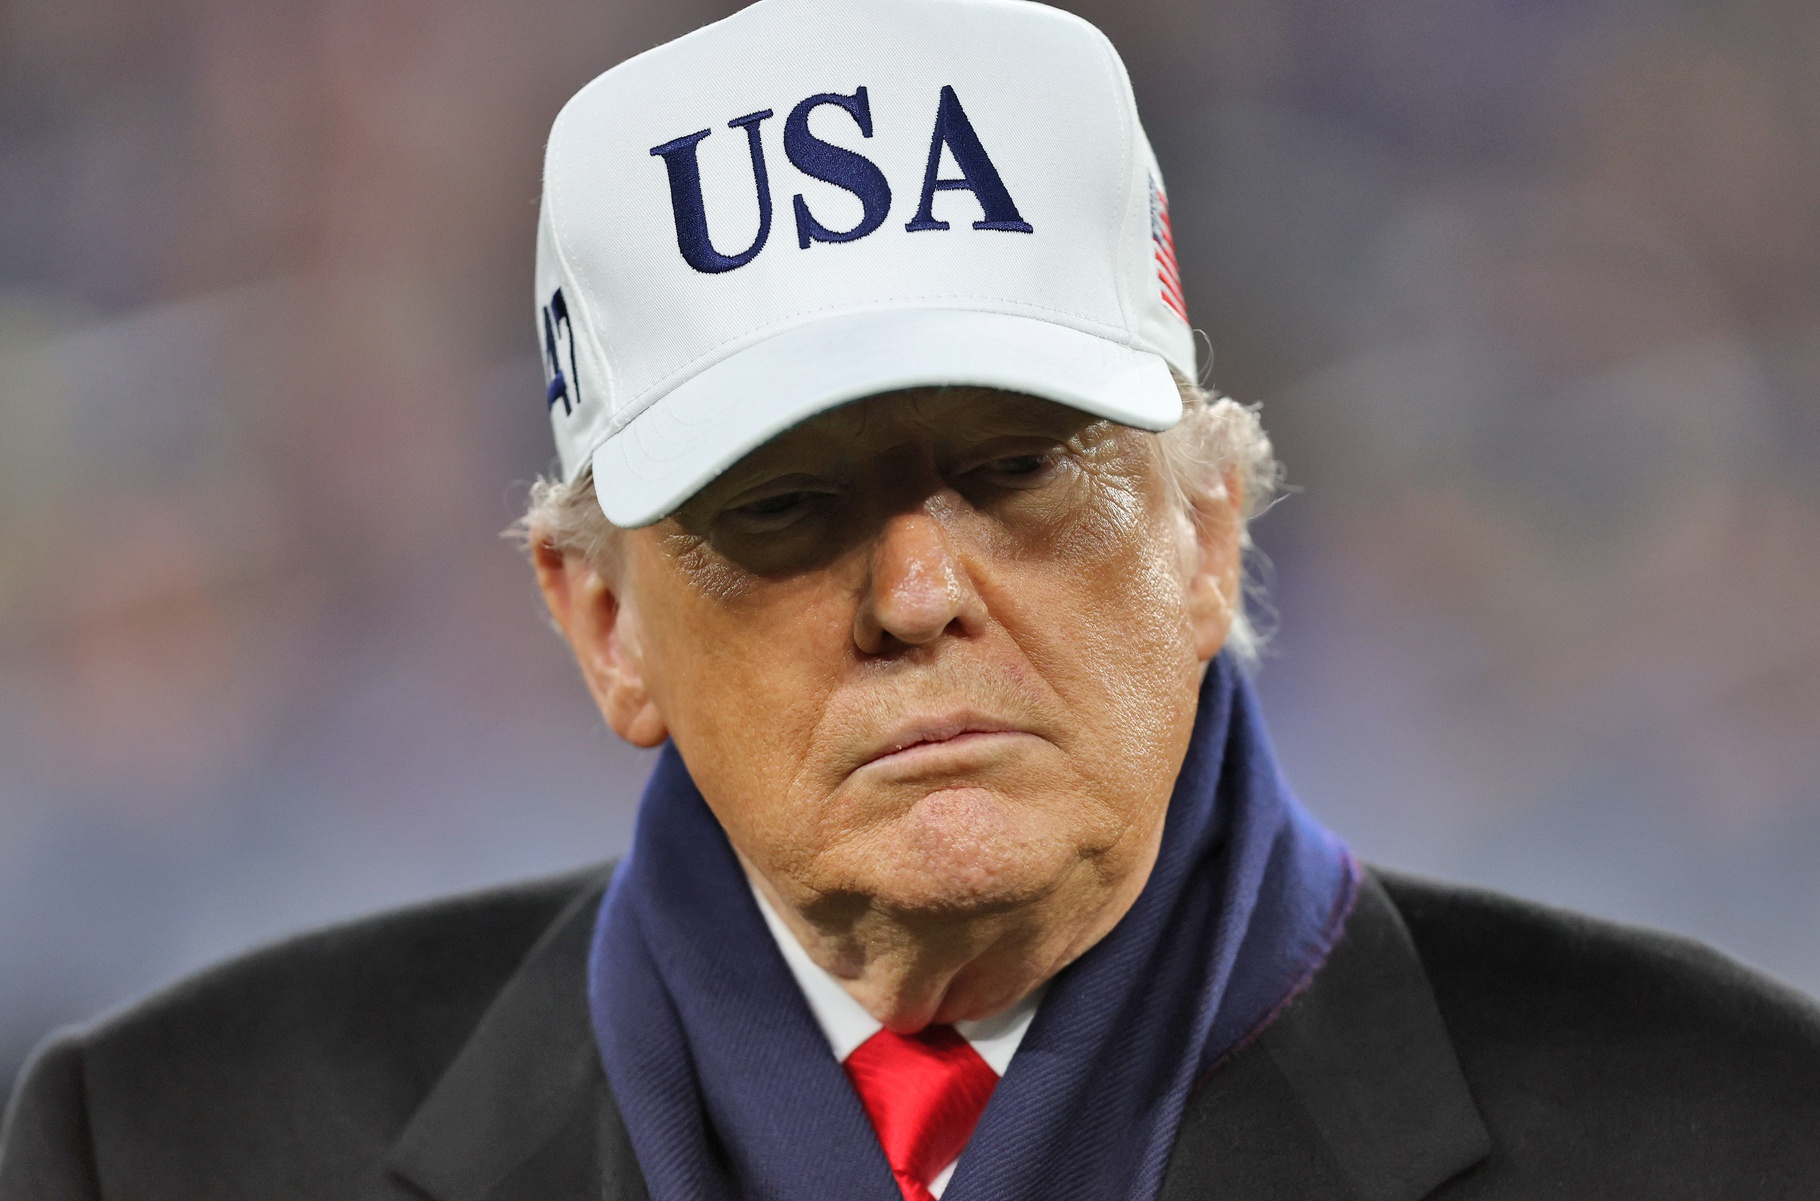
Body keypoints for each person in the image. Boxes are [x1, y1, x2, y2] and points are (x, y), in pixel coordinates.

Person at [3, 0, 1818, 1197]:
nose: (920, 588)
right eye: (786, 507)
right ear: (601, 621)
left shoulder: (1733, 1132)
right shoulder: (172, 1146)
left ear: (1207, 528)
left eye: (1023, 469)